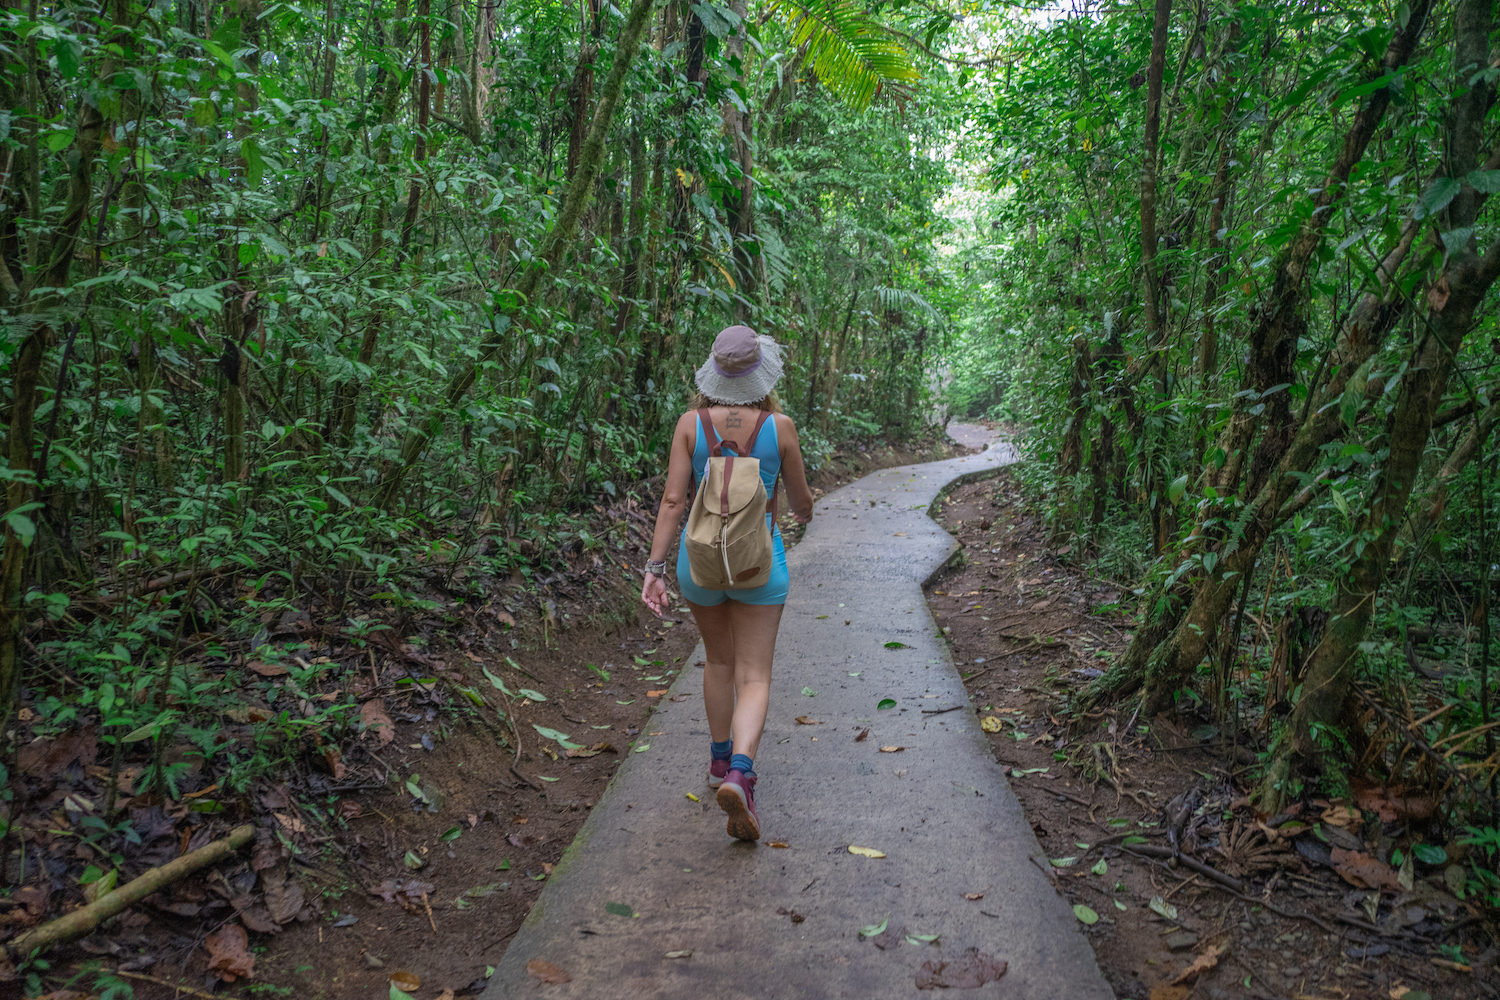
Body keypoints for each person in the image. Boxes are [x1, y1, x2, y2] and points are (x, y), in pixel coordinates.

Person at [640, 325, 814, 842]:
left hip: (699, 565)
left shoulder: (690, 424)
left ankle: (718, 763)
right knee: (754, 674)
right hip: (760, 563)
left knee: (717, 660)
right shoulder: (779, 427)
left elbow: (673, 501)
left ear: (714, 374)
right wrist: (802, 509)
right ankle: (741, 772)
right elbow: (802, 505)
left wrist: (653, 570)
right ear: (761, 375)